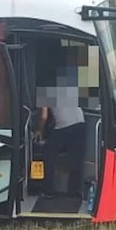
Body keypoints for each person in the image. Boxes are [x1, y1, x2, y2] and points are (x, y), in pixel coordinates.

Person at [34, 61, 85, 198]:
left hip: (63, 126)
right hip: (80, 123)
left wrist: (38, 131)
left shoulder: (44, 91)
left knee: (48, 154)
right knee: (75, 159)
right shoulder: (68, 84)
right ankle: (74, 192)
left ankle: (47, 190)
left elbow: (44, 117)